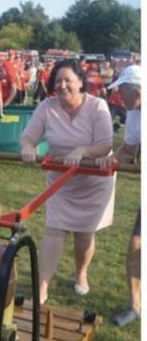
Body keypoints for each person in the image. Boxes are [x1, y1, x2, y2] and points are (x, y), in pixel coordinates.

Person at [20, 58, 115, 304]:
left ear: (80, 82)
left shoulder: (98, 106)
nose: (62, 86)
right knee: (54, 231)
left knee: (84, 235)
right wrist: (28, 148)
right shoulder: (47, 107)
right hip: (61, 182)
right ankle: (41, 287)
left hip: (94, 181)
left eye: (68, 80)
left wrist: (83, 150)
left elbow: (105, 145)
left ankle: (81, 273)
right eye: (58, 80)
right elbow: (27, 138)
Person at [98, 66, 141, 327]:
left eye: (121, 91)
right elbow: (129, 149)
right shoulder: (135, 115)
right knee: (136, 244)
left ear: (135, 90)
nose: (118, 97)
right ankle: (136, 306)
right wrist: (108, 162)